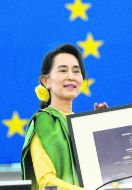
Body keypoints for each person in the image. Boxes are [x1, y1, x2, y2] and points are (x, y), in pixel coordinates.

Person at [21, 44, 108, 190]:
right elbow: (46, 182)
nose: (71, 77)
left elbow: (107, 174)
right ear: (45, 81)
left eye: (76, 71)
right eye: (63, 70)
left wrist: (104, 131)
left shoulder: (83, 124)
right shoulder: (43, 122)